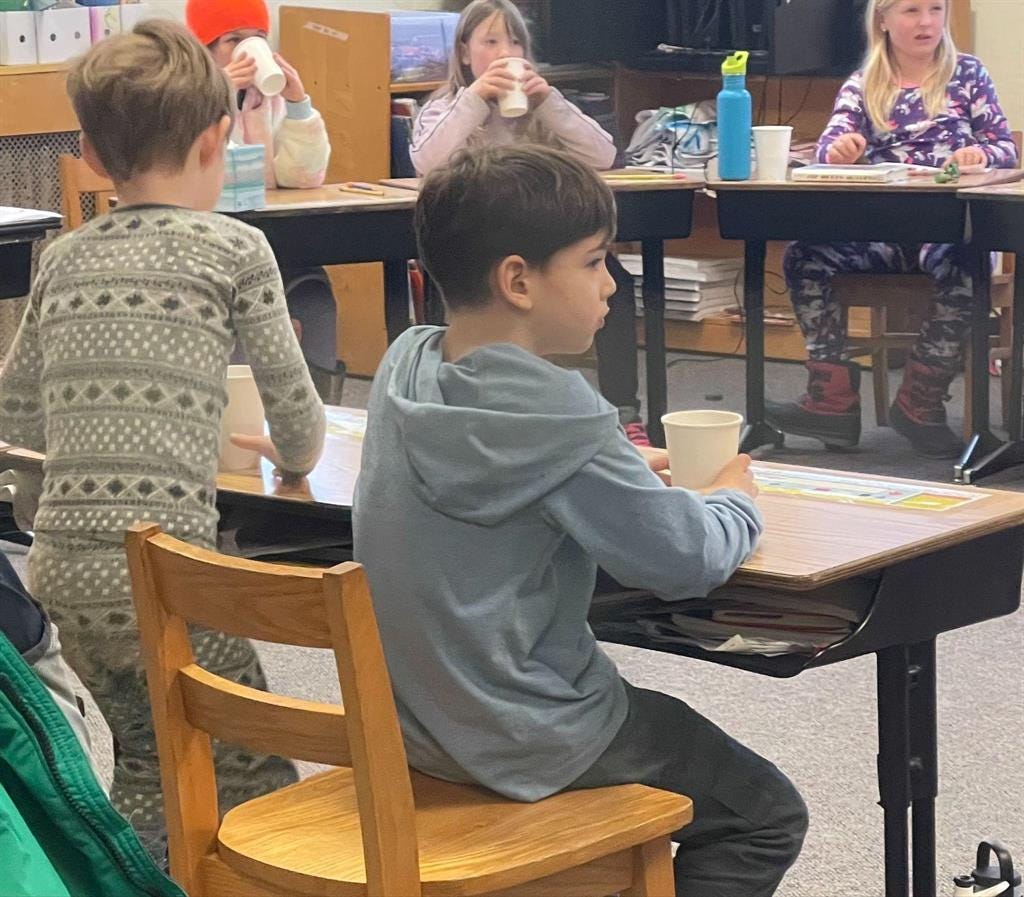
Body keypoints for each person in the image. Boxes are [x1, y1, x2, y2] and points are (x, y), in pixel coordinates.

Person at [353, 144, 807, 897]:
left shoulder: (407, 365)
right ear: (518, 281)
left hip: (415, 728)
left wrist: (612, 465)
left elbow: (511, 466)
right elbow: (686, 560)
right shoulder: (564, 416)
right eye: (594, 261)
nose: (611, 282)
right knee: (765, 814)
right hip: (529, 734)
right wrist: (735, 494)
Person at [0, 19, 325, 857]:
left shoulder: (60, 259)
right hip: (167, 570)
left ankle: (135, 866)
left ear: (88, 153)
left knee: (134, 758)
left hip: (59, 573)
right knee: (250, 768)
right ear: (218, 138)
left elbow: (16, 412)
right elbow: (296, 414)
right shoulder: (237, 248)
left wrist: (42, 511)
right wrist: (294, 459)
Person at [766, 0, 1018, 458]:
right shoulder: (864, 83)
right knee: (803, 255)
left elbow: (1005, 147)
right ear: (882, 19)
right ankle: (831, 400)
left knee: (967, 262)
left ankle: (921, 400)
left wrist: (979, 155)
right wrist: (841, 151)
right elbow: (827, 148)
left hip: (949, 232)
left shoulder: (967, 74)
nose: (926, 22)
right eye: (911, 10)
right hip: (882, 232)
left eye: (935, 9)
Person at [409, 0, 651, 445]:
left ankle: (625, 410)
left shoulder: (543, 107)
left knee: (614, 284)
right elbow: (428, 162)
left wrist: (550, 102)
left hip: (545, 243)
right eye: (491, 41)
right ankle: (458, 400)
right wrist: (475, 99)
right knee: (464, 296)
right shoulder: (445, 107)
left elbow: (604, 155)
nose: (506, 52)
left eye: (515, 41)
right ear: (464, 52)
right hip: (477, 243)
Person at [186, 0, 342, 401]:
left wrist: (298, 104)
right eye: (233, 40)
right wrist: (214, 96)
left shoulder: (267, 100)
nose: (249, 50)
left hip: (274, 240)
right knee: (238, 302)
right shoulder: (182, 101)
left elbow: (304, 177)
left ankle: (315, 404)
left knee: (312, 290)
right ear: (204, 50)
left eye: (257, 38)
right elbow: (187, 171)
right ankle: (237, 401)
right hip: (208, 247)